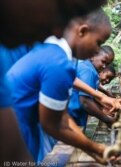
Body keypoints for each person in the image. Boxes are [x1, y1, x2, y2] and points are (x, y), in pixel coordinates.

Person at [0, 0, 108, 164]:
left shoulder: (55, 56)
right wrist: (97, 148)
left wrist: (92, 148)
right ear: (83, 31)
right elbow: (56, 124)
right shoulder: (59, 64)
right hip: (20, 131)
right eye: (98, 43)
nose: (57, 31)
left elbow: (62, 117)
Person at [68, 46, 117, 129]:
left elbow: (89, 96)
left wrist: (103, 108)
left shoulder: (85, 66)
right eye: (103, 62)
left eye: (107, 64)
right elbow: (85, 101)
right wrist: (107, 120)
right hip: (72, 117)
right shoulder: (88, 71)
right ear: (92, 56)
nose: (104, 66)